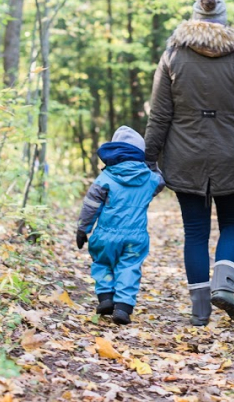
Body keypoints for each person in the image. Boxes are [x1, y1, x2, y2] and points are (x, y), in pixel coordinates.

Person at [145, 0, 234, 326]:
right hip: (233, 155)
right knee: (232, 225)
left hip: (185, 157)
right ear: (224, 20)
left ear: (193, 19)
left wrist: (149, 161)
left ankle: (200, 310)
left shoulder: (172, 56)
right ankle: (224, 287)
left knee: (195, 232)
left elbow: (159, 116)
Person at [75, 126, 165, 325]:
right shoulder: (149, 179)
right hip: (135, 237)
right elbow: (160, 181)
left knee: (102, 263)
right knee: (129, 268)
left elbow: (90, 206)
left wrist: (83, 229)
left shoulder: (105, 178)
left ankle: (106, 298)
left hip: (105, 235)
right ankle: (123, 307)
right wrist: (152, 163)